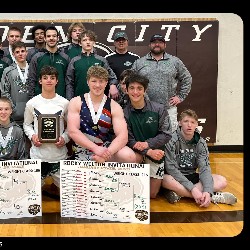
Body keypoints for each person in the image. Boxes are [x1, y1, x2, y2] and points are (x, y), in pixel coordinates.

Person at [162, 109, 237, 207]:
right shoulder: (171, 140)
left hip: (192, 175)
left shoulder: (201, 143)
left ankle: (183, 194)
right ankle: (211, 197)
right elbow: (171, 168)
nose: (189, 125)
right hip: (175, 177)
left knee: (222, 181)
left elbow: (204, 168)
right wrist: (193, 189)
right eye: (186, 121)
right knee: (164, 179)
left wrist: (208, 191)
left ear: (196, 124)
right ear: (179, 123)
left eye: (192, 122)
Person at [67, 65, 137, 163]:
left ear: (106, 83)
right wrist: (95, 148)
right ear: (88, 82)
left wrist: (106, 154)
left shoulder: (114, 106)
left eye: (101, 81)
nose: (98, 85)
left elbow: (123, 136)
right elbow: (72, 131)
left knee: (129, 156)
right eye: (94, 81)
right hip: (81, 149)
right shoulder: (76, 102)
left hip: (105, 148)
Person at [123, 72, 172, 198]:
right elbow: (128, 139)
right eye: (132, 88)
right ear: (126, 90)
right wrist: (148, 151)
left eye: (139, 88)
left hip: (156, 153)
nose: (135, 92)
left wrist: (148, 144)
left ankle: (166, 188)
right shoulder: (124, 113)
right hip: (136, 154)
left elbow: (166, 134)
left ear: (145, 90)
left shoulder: (159, 109)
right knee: (133, 192)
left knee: (152, 194)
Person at [23, 65, 70, 197]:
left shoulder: (64, 103)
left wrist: (64, 138)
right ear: (40, 81)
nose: (48, 80)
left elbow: (71, 127)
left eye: (52, 78)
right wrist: (33, 136)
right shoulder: (32, 103)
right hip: (38, 156)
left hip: (59, 155)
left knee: (67, 195)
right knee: (33, 196)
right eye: (45, 78)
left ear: (57, 81)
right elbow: (27, 124)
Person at [132, 34, 192, 132]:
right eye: (154, 42)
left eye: (160, 42)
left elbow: (187, 78)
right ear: (149, 45)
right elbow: (130, 80)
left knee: (169, 137)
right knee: (148, 137)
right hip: (145, 109)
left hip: (168, 109)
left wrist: (180, 96)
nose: (157, 44)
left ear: (165, 45)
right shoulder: (139, 62)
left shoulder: (174, 61)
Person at [65, 29, 119, 101]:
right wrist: (70, 100)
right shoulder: (74, 61)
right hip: (79, 100)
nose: (88, 42)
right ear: (80, 43)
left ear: (94, 42)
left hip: (98, 101)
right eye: (84, 40)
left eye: (90, 40)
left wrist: (113, 85)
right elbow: (69, 83)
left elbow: (112, 77)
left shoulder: (101, 60)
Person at [27, 26, 71, 99]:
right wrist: (32, 99)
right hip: (40, 100)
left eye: (54, 36)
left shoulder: (65, 58)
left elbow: (69, 82)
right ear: (45, 38)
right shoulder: (37, 57)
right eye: (48, 36)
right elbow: (31, 79)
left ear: (58, 38)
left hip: (60, 100)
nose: (51, 38)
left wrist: (68, 100)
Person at [0, 41, 29, 128]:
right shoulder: (8, 71)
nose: (20, 54)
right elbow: (4, 92)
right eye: (17, 52)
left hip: (31, 114)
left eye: (22, 51)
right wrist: (12, 108)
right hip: (14, 116)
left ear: (26, 52)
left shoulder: (33, 69)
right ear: (13, 54)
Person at [104, 31, 140, 95]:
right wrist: (112, 85)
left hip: (131, 93)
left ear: (127, 42)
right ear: (114, 43)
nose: (121, 42)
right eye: (118, 40)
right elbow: (105, 76)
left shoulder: (135, 58)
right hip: (113, 93)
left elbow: (138, 76)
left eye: (123, 40)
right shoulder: (107, 58)